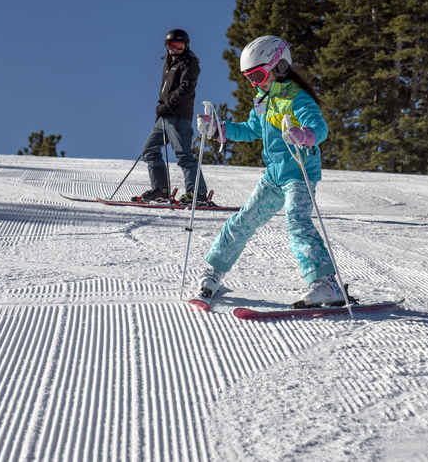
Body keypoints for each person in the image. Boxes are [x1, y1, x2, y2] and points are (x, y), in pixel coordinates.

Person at [194, 35, 344, 307]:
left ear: (281, 65)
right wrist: (220, 128)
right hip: (273, 175)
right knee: (244, 219)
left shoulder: (297, 98)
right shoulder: (262, 100)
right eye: (249, 78)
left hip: (299, 172)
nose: (255, 82)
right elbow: (251, 129)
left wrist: (305, 134)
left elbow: (319, 126)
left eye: (259, 74)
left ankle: (326, 283)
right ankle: (214, 271)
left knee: (296, 221)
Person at [137, 29, 209, 205]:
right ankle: (160, 190)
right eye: (171, 45)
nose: (174, 49)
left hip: (178, 116)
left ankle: (197, 193)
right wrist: (160, 110)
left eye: (179, 46)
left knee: (183, 155)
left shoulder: (189, 63)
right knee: (149, 150)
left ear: (186, 46)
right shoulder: (168, 63)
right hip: (164, 116)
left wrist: (167, 105)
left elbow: (186, 88)